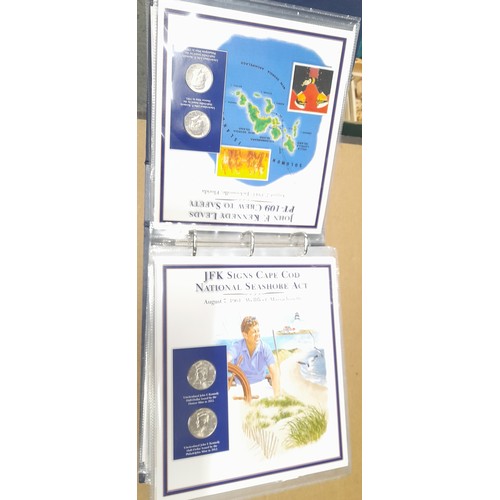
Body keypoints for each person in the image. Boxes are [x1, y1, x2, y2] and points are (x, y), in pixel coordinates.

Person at [227, 316, 280, 397]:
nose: (258, 334)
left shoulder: (265, 348)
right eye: (254, 332)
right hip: (240, 388)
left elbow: (274, 373)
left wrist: (277, 397)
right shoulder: (237, 346)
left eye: (258, 331)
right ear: (245, 335)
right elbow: (226, 359)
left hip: (261, 386)